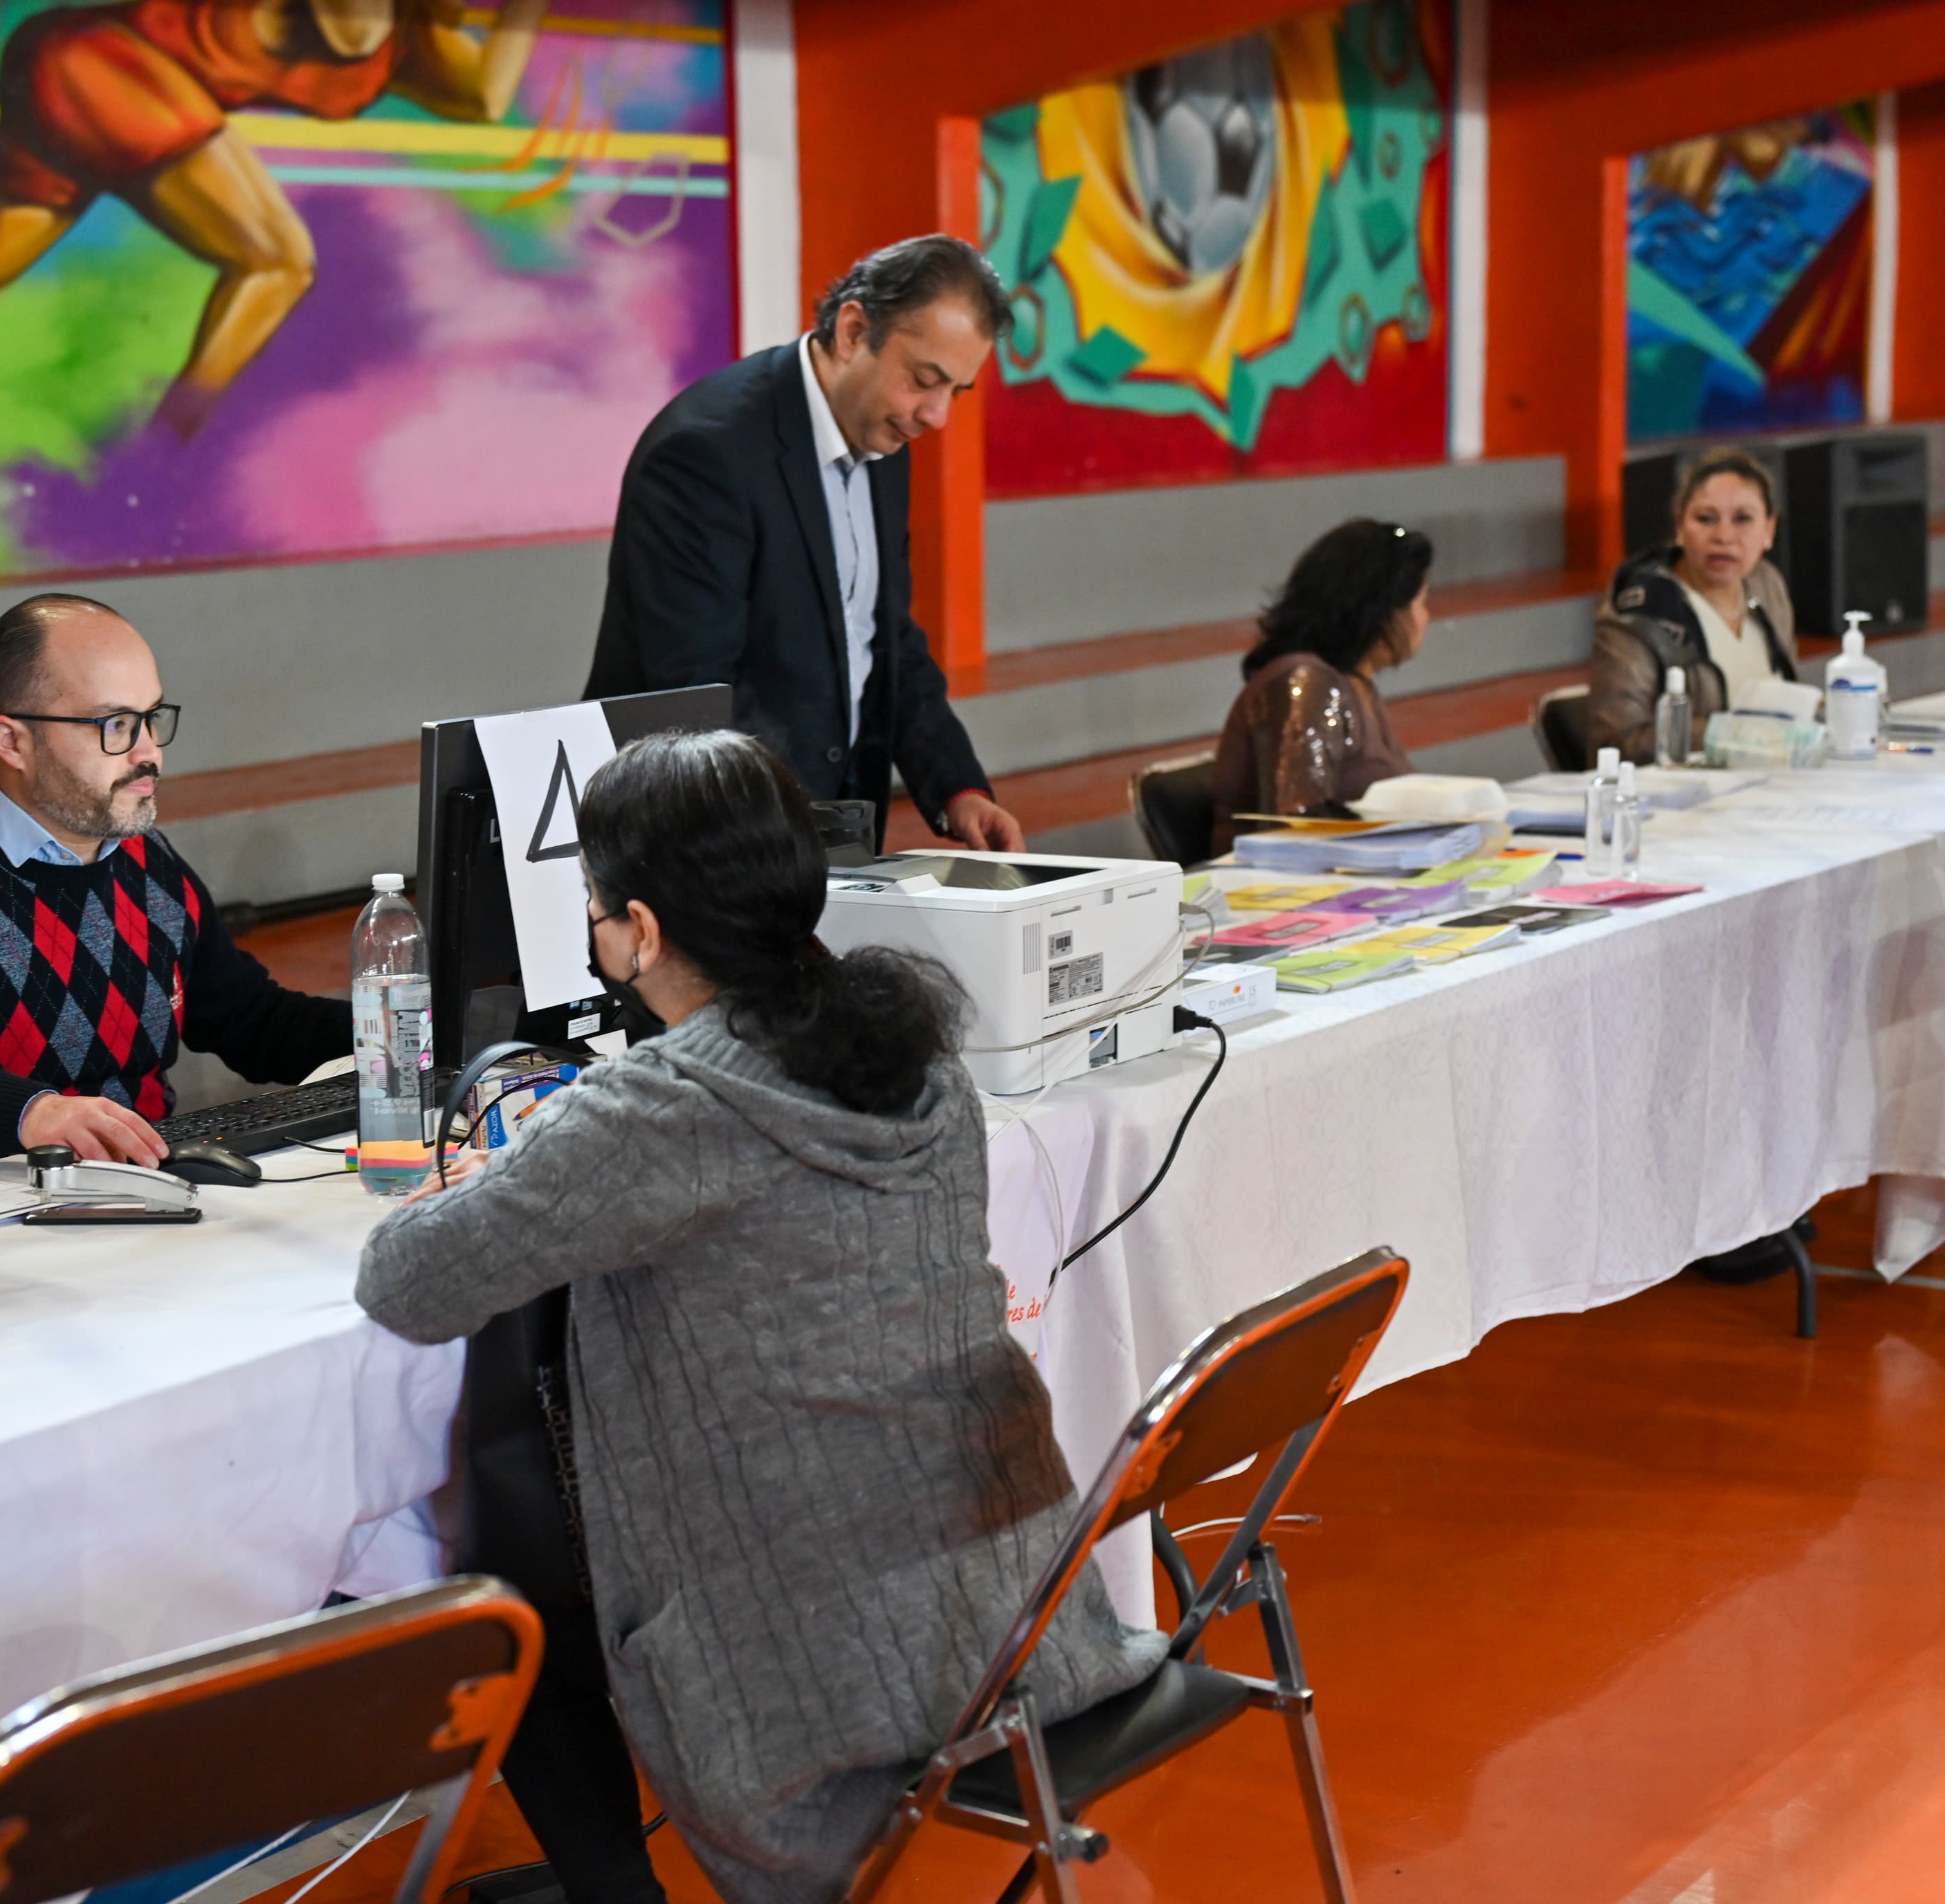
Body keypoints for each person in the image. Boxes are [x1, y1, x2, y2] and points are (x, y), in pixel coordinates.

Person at [356, 730, 1163, 1904]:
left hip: (815, 1675)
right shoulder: (918, 1059)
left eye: (594, 909)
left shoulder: (657, 1109)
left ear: (639, 930)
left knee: (507, 1577)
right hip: (1020, 1616)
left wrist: (513, 1166)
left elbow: (407, 1281)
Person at [0, 0, 549, 452]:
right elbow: (353, 29)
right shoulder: (367, 20)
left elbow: (487, 97)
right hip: (104, 65)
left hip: (74, 87)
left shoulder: (409, 44)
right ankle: (162, 460)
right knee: (278, 261)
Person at [0, 592, 345, 1163]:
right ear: (13, 742)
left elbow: (251, 1021)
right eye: (115, 725)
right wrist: (32, 1113)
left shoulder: (150, 861)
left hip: (151, 1190)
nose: (149, 753)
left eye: (151, 718)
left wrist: (399, 1032)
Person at [585, 236, 1028, 852]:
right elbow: (696, 698)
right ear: (853, 332)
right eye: (924, 380)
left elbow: (883, 637)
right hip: (708, 841)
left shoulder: (883, 437)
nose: (936, 416)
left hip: (824, 831)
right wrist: (794, 846)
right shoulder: (706, 453)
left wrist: (958, 788)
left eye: (955, 391)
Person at [1207, 518, 1434, 855]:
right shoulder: (1306, 684)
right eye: (1422, 603)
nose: (1426, 618)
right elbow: (1296, 825)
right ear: (1383, 612)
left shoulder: (1356, 686)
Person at [1587, 449, 1798, 762]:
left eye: (1743, 519)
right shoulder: (1639, 612)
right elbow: (1616, 742)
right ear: (1680, 527)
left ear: (1769, 529)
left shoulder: (1766, 584)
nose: (1724, 536)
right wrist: (1726, 734)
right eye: (1705, 519)